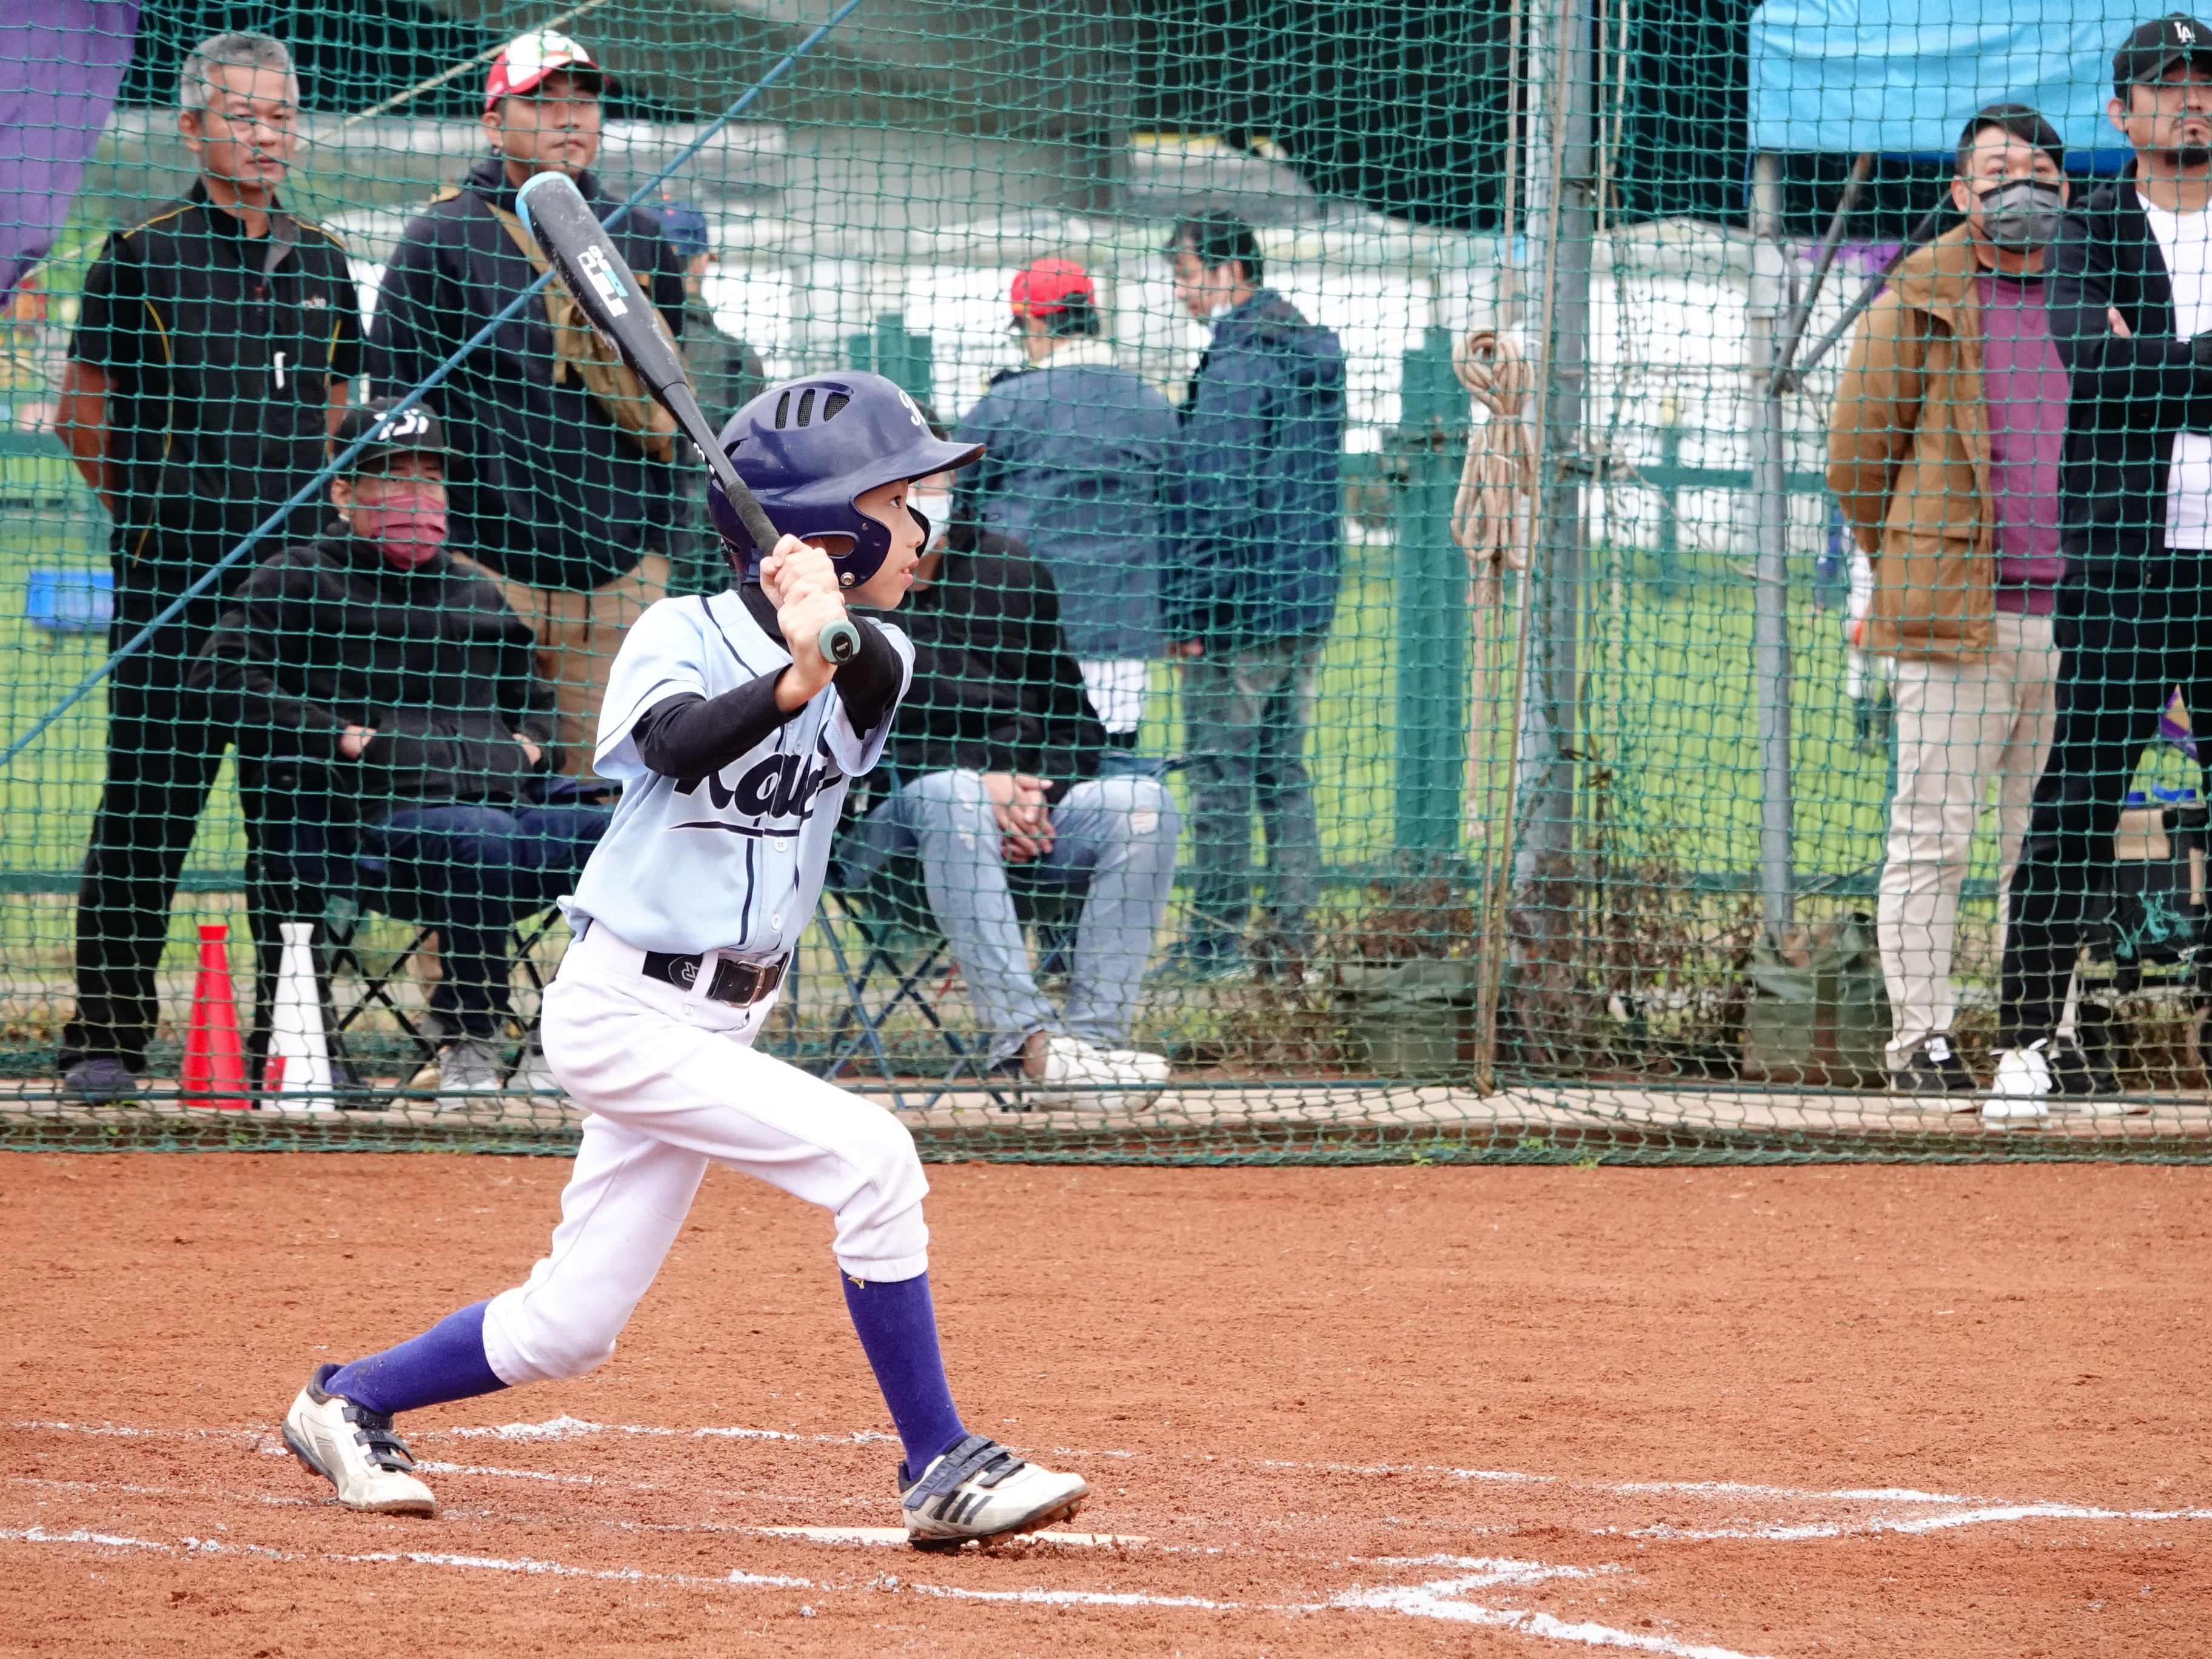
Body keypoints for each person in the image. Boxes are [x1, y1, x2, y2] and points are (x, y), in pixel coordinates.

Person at [278, 372, 1093, 1550]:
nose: (926, 525)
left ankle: (347, 1399)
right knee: (873, 1159)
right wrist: (791, 673)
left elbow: (861, 675)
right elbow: (674, 744)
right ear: (832, 524)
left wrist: (821, 641)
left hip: (725, 1016)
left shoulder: (883, 652)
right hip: (623, 1007)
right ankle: (939, 1465)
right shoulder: (676, 630)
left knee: (570, 1327)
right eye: (900, 502)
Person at [52, 32, 360, 1102]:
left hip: (296, 600)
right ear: (193, 127)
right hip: (171, 591)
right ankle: (105, 1038)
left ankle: (294, 1042)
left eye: (281, 116)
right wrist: (157, 519)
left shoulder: (324, 259)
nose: (266, 135)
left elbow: (336, 412)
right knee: (145, 812)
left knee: (295, 824)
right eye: (243, 115)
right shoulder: (138, 253)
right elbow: (80, 415)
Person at [198, 400, 601, 1095]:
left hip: (499, 800)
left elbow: (538, 705)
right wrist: (340, 736)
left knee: (625, 833)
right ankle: (469, 1039)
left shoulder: (476, 590)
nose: (417, 495)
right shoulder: (298, 575)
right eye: (392, 476)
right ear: (344, 492)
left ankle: (562, 1038)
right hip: (367, 821)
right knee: (480, 837)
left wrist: (535, 748)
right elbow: (219, 675)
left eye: (431, 478)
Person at [1827, 104, 2071, 1097]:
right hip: (1955, 619)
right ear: (1962, 192)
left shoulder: (2098, 285)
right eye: (1998, 172)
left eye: (2040, 172)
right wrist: (1915, 560)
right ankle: (1920, 1039)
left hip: (2080, 614)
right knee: (1932, 835)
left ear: (2066, 187)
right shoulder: (1919, 294)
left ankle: (2040, 1040)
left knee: (2048, 844)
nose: (2022, 189)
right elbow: (1856, 459)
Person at [1991, 14, 2212, 1110]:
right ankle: (2025, 1042)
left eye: (2203, 81)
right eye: (2164, 85)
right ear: (2121, 113)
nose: (2191, 100)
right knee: (2076, 801)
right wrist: (2191, 368)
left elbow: (2129, 372)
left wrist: (2152, 364)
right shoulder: (2089, 231)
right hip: (2124, 567)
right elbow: (2087, 358)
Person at [366, 30, 686, 778]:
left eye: (585, 101)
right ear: (493, 120)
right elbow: (395, 406)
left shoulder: (640, 238)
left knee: (609, 799)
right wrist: (438, 555)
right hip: (479, 574)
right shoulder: (439, 238)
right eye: (542, 102)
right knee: (474, 785)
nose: (570, 118)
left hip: (616, 582)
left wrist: (656, 552)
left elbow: (679, 409)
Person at [834, 465, 1179, 1107]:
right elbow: (840, 740)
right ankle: (1031, 1046)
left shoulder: (1012, 570)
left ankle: (1090, 1053)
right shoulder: (841, 581)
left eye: (932, 484)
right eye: (900, 493)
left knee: (1143, 804)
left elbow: (1074, 722)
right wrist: (981, 787)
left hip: (1026, 826)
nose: (920, 504)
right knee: (955, 796)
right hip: (888, 839)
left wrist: (1036, 797)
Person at [1163, 212, 1346, 976]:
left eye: (1185, 275)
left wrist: (1191, 611)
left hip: (1239, 609)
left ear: (1228, 271)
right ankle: (1293, 943)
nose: (1180, 291)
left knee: (1220, 776)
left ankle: (1215, 943)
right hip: (1304, 601)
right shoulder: (1306, 353)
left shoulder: (1240, 365)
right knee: (1283, 775)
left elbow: (1219, 501)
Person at [950, 258, 1178, 754]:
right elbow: (1176, 512)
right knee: (1112, 765)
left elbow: (955, 500)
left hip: (1018, 632)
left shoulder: (1006, 404)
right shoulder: (1151, 406)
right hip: (1120, 628)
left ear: (1035, 322)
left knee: (1025, 772)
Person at [660, 196, 768, 596]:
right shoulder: (737, 359)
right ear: (702, 261)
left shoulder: (609, 346)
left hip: (625, 557)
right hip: (714, 555)